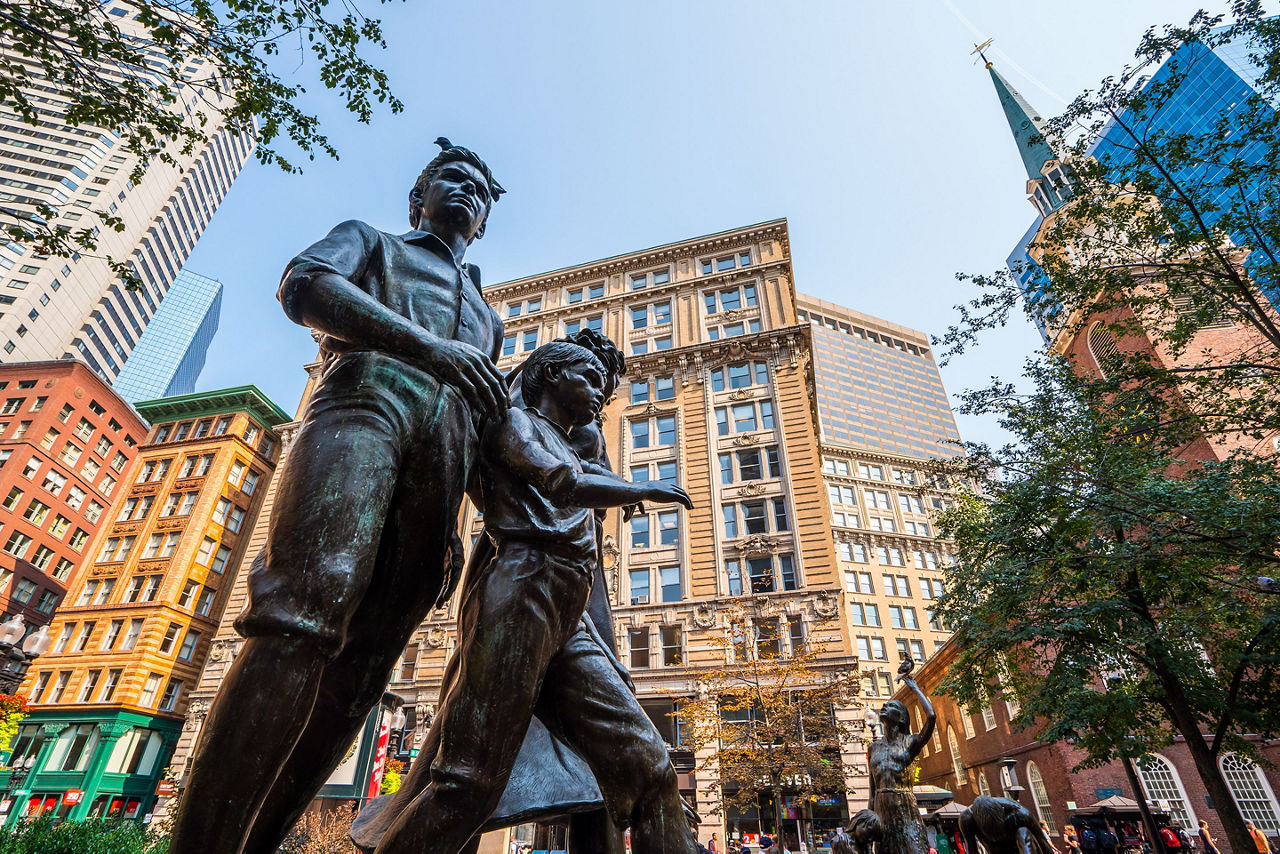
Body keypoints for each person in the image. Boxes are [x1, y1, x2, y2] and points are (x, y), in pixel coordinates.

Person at [168, 138, 507, 854]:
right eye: (452, 177)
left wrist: (451, 522)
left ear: (486, 222)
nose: (467, 192)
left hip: (440, 462)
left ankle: (259, 843)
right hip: (364, 406)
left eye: (481, 190)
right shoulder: (373, 241)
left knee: (365, 670)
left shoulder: (488, 315)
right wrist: (428, 347)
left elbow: (478, 415)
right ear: (419, 197)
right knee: (303, 609)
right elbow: (306, 285)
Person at [371, 341, 697, 853]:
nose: (599, 394)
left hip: (571, 606)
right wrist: (639, 489)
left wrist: (617, 488)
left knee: (651, 766)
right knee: (468, 784)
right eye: (589, 379)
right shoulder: (514, 424)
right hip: (524, 591)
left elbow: (584, 474)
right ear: (551, 374)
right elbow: (563, 481)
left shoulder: (572, 440)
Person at [867, 657, 937, 854]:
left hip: (905, 808)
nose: (884, 707)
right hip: (881, 811)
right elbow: (872, 791)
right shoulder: (874, 748)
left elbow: (931, 717)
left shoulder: (911, 742)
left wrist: (914, 688)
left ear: (902, 718)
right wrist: (870, 819)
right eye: (884, 706)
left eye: (891, 706)